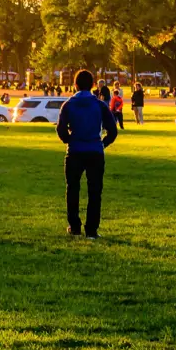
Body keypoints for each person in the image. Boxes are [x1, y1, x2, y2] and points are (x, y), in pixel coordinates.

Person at [57, 70, 118, 239]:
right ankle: (91, 229)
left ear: (75, 85)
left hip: (75, 151)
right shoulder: (99, 105)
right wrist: (101, 143)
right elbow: (112, 130)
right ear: (93, 85)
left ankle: (74, 226)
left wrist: (70, 140)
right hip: (94, 151)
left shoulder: (68, 104)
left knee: (72, 189)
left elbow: (61, 130)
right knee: (95, 191)